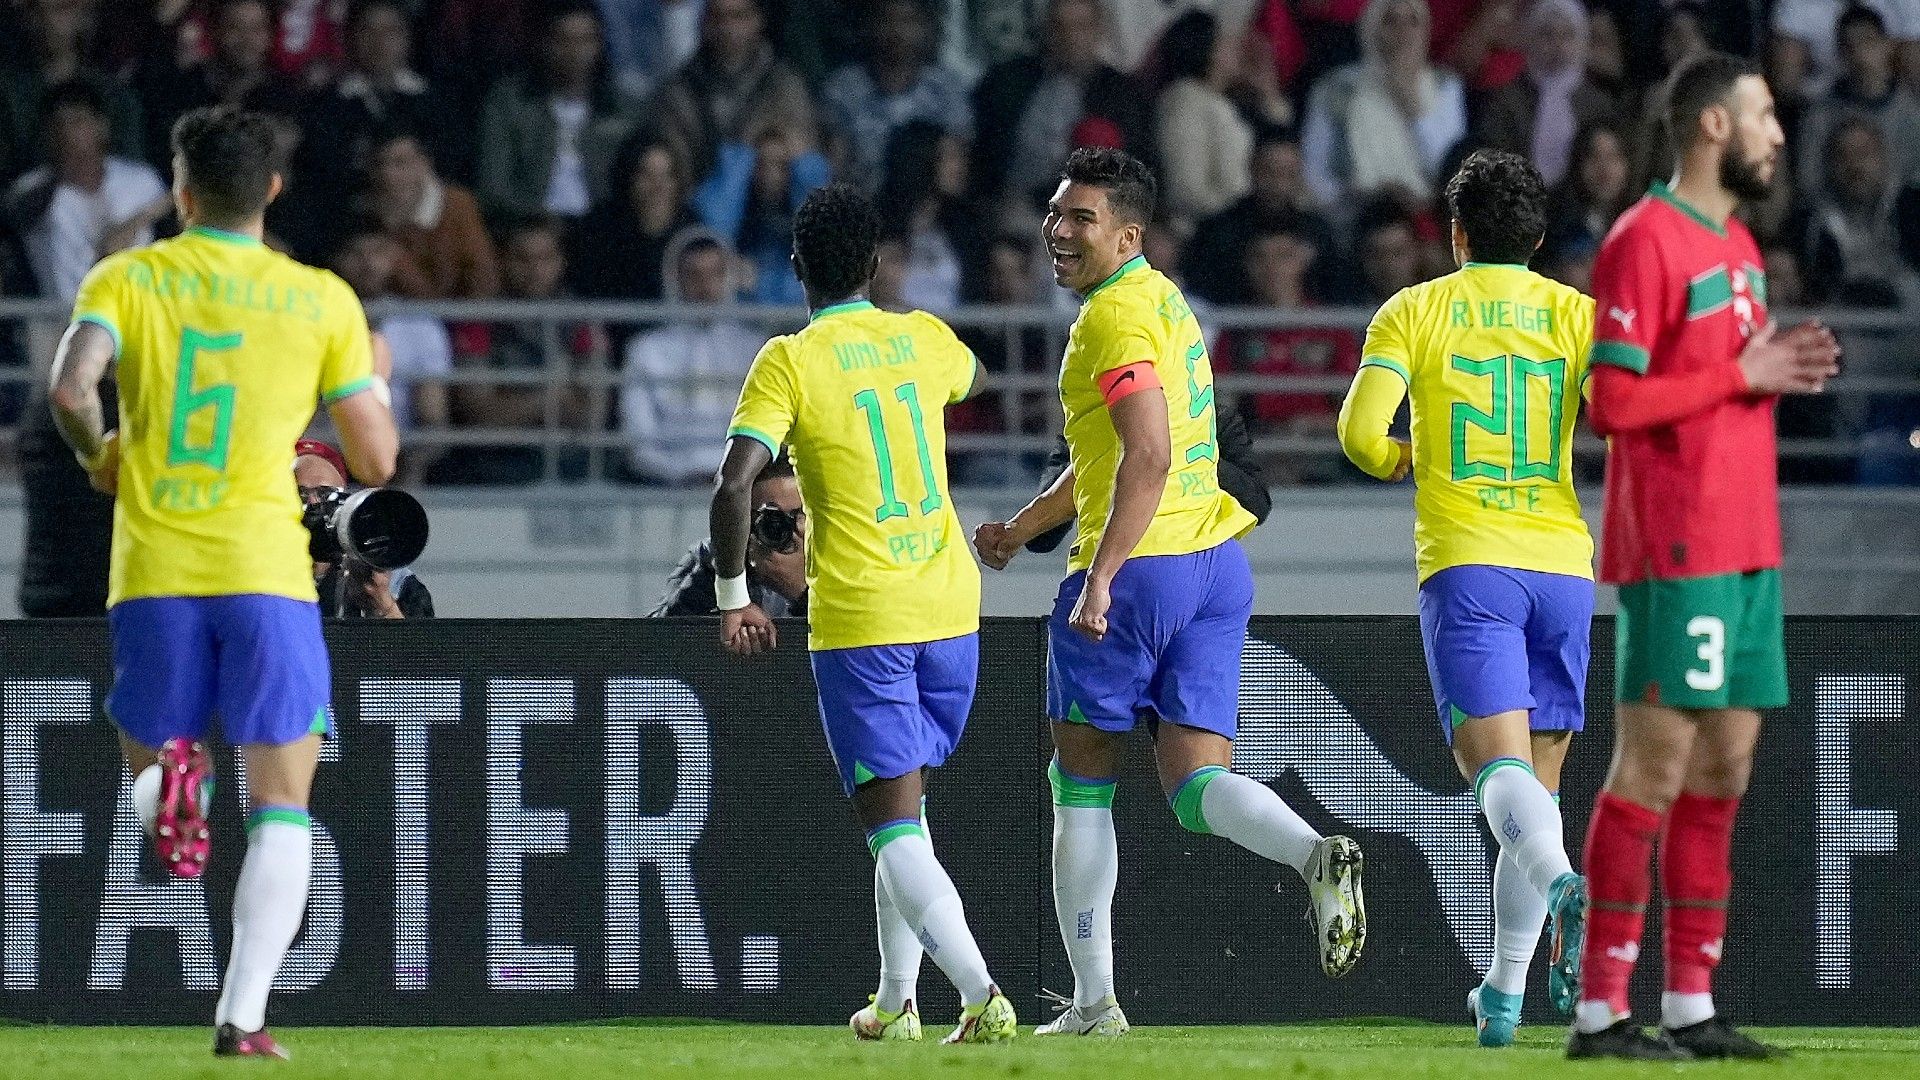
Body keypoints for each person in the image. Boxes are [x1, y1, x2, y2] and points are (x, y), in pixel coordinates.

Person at [972, 147, 1366, 1038]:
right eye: (1055, 213)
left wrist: (1101, 575)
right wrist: (1022, 530)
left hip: (1139, 572)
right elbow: (1106, 457)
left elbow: (1145, 455)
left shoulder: (1109, 322)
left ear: (1128, 234)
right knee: (1196, 788)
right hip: (1214, 563)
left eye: (1081, 218)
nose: (1058, 231)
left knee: (1080, 786)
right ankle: (1312, 853)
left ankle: (1093, 1003)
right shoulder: (1165, 300)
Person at [46, 105, 399, 1057]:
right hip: (268, 573)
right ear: (272, 190)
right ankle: (241, 1017)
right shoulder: (321, 298)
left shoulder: (128, 277)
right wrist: (376, 377)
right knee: (282, 805)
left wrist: (100, 454)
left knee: (153, 772)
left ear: (180, 191)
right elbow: (376, 457)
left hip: (154, 569)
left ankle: (171, 791)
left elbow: (70, 390)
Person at [1570, 52, 1841, 1061]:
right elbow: (1611, 402)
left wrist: (1765, 377)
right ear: (1714, 125)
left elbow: (1726, 382)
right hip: (1677, 545)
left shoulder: (1739, 244)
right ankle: (1601, 1012)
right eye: (1764, 113)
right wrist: (1740, 374)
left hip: (1749, 546)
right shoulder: (1644, 238)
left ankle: (1691, 1005)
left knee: (1724, 767)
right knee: (1652, 769)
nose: (1779, 131)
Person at [711, 182, 1018, 1044]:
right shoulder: (923, 336)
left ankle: (980, 994)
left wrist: (734, 597)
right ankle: (895, 1001)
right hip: (950, 604)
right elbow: (978, 375)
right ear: (877, 264)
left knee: (891, 827)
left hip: (863, 615)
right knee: (906, 817)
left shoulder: (789, 360)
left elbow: (734, 483)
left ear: (796, 267)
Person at [1337, 149, 1593, 1048]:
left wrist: (1400, 458)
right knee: (1536, 790)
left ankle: (1564, 886)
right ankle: (1504, 995)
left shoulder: (1414, 309)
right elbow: (1619, 418)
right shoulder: (1576, 314)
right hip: (1563, 566)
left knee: (1495, 776)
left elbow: (1359, 433)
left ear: (1454, 235)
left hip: (1470, 564)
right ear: (1538, 239)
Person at [620, 228, 768, 484]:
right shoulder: (646, 350)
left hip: (743, 486)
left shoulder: (756, 348)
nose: (705, 286)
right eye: (693, 275)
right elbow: (639, 441)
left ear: (729, 277)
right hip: (666, 488)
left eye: (715, 273)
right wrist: (683, 473)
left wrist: (731, 476)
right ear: (674, 279)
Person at [651, 453, 806, 615]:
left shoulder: (825, 561)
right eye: (770, 518)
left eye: (798, 514)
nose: (781, 526)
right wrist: (723, 575)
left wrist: (800, 591)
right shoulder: (714, 557)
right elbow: (658, 629)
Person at [295, 440, 433, 619]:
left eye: (327, 495)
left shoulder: (395, 583)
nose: (314, 504)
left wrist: (381, 602)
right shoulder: (263, 571)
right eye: (300, 494)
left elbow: (422, 637)